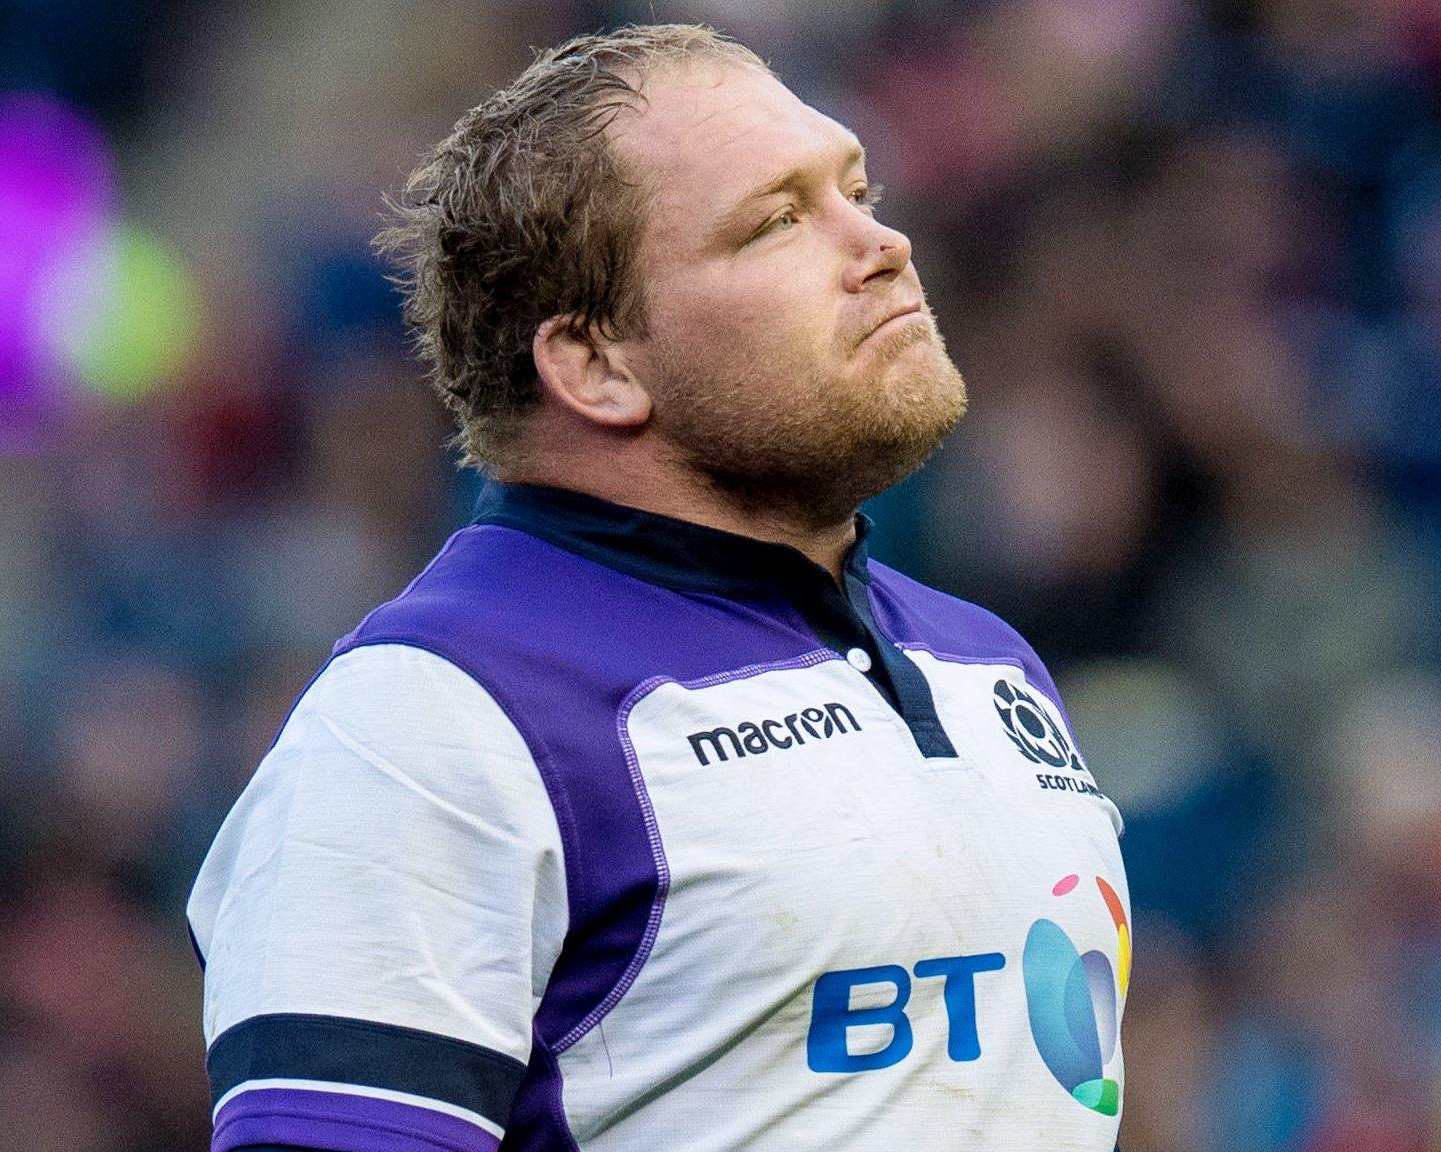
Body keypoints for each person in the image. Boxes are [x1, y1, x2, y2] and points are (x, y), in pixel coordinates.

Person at [189, 24, 1129, 1152]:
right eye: (777, 222)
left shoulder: (984, 663)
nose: (880, 242)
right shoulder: (428, 721)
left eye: (856, 189)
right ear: (594, 365)